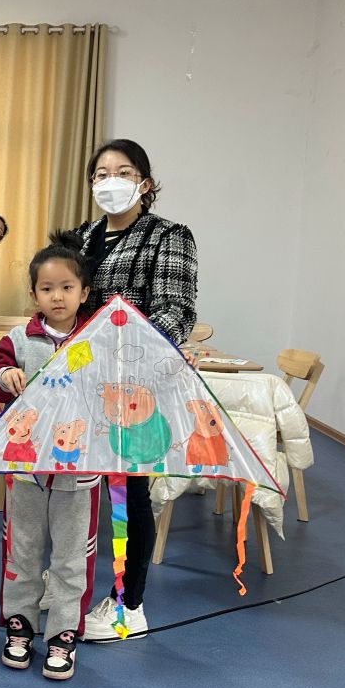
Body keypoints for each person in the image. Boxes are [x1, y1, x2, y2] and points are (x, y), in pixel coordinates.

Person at [73, 139, 198, 641]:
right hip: (82, 382)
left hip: (134, 387)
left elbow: (176, 312)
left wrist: (121, 352)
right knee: (74, 487)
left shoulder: (168, 236)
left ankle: (129, 605)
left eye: (123, 172)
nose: (111, 181)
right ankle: (70, 586)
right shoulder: (81, 237)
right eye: (101, 174)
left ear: (145, 183)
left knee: (129, 495)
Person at [0, 229, 100, 680]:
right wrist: (5, 373)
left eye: (67, 287)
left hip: (79, 471)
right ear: (34, 294)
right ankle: (20, 626)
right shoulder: (19, 338)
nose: (57, 296)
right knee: (22, 550)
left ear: (83, 292)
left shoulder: (97, 339)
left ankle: (63, 634)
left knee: (71, 557)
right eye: (47, 288)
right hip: (26, 468)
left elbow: (118, 385)